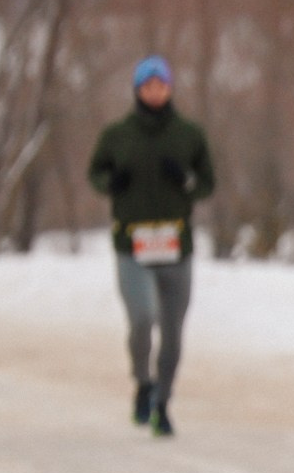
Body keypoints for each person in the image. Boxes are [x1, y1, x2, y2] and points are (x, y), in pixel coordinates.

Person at [86, 56, 217, 437]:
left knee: (173, 332)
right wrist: (112, 183)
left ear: (170, 88)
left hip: (176, 245)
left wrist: (187, 182)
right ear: (138, 90)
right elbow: (95, 172)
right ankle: (143, 381)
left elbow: (207, 183)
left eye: (161, 85)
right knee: (143, 318)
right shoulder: (118, 135)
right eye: (148, 86)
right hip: (133, 245)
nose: (155, 92)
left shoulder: (189, 135)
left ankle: (162, 403)